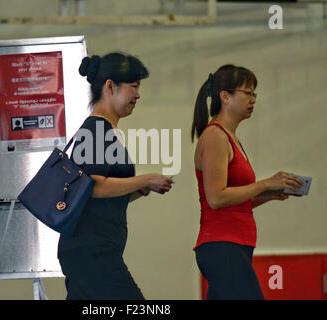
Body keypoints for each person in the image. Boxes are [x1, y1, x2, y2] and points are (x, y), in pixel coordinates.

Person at [58, 52, 174, 300]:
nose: (138, 94)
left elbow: (101, 194)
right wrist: (144, 179)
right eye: (133, 86)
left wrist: (139, 190)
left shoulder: (103, 130)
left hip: (91, 249)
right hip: (93, 251)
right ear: (110, 86)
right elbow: (93, 186)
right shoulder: (97, 130)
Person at [191, 64, 303, 300]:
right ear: (225, 97)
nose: (253, 99)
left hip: (234, 245)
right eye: (248, 93)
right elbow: (216, 197)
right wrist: (264, 184)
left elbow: (233, 200)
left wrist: (268, 195)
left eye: (255, 94)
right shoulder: (215, 137)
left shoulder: (231, 138)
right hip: (222, 245)